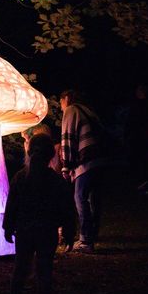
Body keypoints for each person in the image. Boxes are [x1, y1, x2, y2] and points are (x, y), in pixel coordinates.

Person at [4, 134, 77, 294]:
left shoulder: (20, 177)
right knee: (44, 272)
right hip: (47, 232)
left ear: (30, 151)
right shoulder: (55, 181)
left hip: (25, 231)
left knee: (20, 269)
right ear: (51, 155)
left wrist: (8, 226)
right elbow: (67, 209)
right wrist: (69, 232)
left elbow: (12, 205)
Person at [59, 89, 108, 253]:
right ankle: (92, 234)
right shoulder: (89, 112)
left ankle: (86, 239)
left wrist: (66, 165)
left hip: (86, 162)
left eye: (61, 103)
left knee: (80, 197)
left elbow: (68, 136)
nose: (61, 108)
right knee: (94, 199)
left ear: (66, 99)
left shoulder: (71, 110)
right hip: (99, 160)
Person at [125, 83, 148, 191]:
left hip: (138, 139)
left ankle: (143, 182)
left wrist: (127, 135)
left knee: (140, 161)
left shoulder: (136, 107)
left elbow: (130, 123)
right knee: (147, 161)